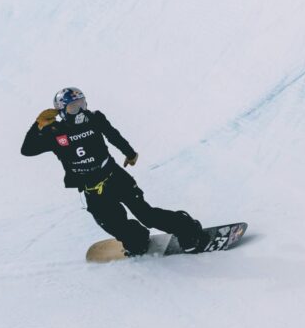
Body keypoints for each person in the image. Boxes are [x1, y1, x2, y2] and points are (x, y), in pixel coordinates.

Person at [21, 87, 208, 256]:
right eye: (73, 107)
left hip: (115, 177)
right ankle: (138, 239)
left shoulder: (94, 118)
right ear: (61, 111)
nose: (79, 111)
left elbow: (113, 135)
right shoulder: (54, 133)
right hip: (93, 190)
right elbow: (27, 150)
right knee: (113, 224)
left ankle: (188, 229)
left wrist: (130, 153)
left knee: (146, 214)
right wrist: (37, 125)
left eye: (82, 104)